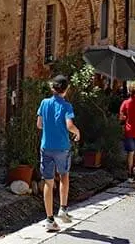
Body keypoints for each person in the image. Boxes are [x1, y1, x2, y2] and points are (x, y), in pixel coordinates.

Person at [36, 74, 80, 232]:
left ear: (52, 88)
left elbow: (39, 125)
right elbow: (69, 125)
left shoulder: (44, 103)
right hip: (62, 147)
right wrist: (77, 132)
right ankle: (63, 208)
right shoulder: (67, 106)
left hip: (46, 146)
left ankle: (49, 219)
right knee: (64, 176)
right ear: (66, 89)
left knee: (48, 182)